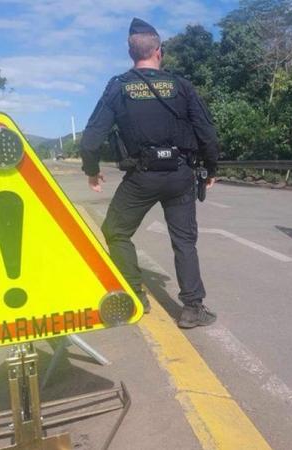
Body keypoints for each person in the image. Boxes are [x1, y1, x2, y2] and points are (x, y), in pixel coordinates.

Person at [80, 18, 219, 328]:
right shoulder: (181, 86)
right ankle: (193, 308)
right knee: (184, 241)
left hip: (142, 176)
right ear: (159, 51)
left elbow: (90, 140)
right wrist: (211, 168)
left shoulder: (119, 87)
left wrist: (91, 171)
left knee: (116, 231)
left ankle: (133, 295)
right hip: (180, 175)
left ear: (132, 53)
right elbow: (207, 133)